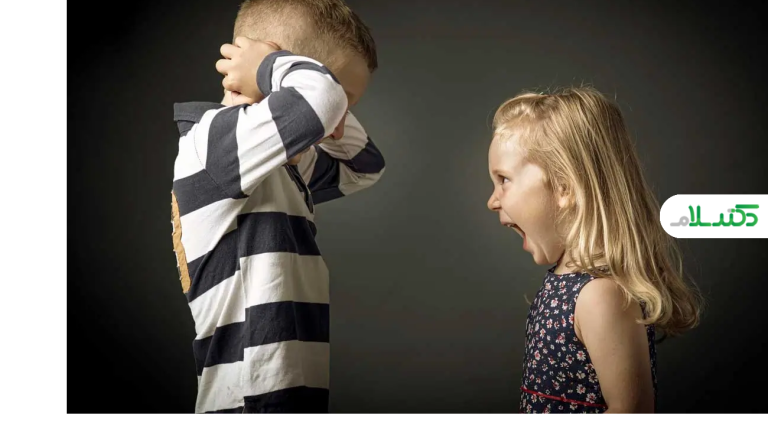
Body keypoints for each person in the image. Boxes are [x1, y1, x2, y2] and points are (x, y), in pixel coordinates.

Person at [170, 0, 385, 414]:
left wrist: (332, 112)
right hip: (250, 397)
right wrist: (270, 68)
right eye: (340, 99)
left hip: (290, 389)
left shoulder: (283, 164)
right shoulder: (214, 145)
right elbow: (318, 101)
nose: (337, 119)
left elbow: (365, 168)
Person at [485, 86, 704, 414]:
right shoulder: (563, 283)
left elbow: (632, 409)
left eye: (503, 179)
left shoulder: (601, 295)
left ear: (564, 186)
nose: (492, 201)